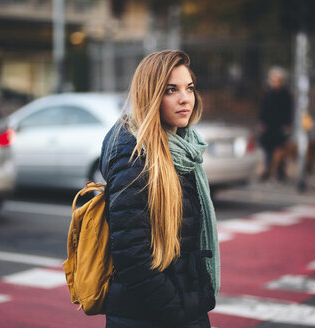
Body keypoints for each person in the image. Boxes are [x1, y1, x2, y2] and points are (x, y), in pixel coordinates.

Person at [99, 50, 219, 328]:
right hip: (151, 315)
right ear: (150, 96)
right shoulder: (134, 155)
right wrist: (177, 309)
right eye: (171, 90)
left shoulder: (183, 150)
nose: (185, 98)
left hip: (182, 304)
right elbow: (132, 254)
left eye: (189, 88)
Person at [258, 66, 293, 181]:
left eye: (276, 79)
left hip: (280, 127)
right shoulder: (268, 93)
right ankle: (268, 171)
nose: (273, 82)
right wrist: (262, 123)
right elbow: (263, 109)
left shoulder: (286, 94)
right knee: (268, 151)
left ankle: (281, 173)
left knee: (281, 151)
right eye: (272, 79)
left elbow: (289, 111)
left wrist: (288, 125)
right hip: (269, 127)